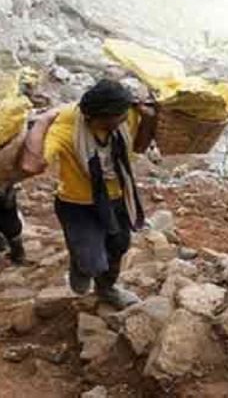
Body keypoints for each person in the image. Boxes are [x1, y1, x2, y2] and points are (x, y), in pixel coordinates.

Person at [20, 79, 156, 309]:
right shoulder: (65, 128)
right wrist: (43, 121)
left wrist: (150, 120)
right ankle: (81, 263)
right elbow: (30, 166)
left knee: (119, 246)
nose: (126, 118)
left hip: (116, 197)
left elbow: (140, 147)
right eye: (119, 116)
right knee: (92, 262)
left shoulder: (124, 114)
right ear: (96, 118)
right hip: (77, 204)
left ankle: (107, 289)